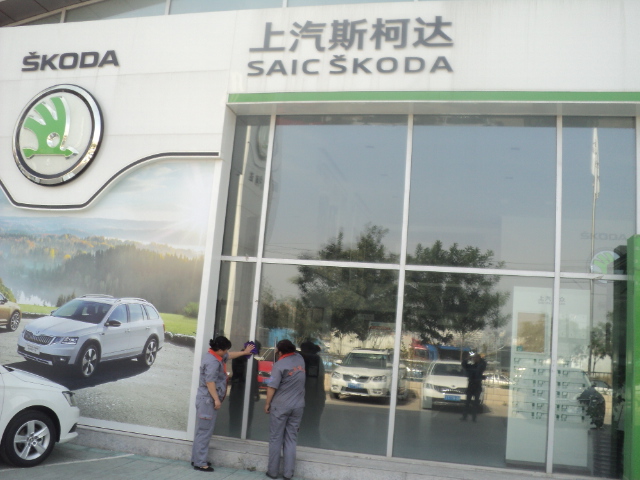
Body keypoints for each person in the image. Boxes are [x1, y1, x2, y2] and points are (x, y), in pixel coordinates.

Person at [191, 336, 254, 472]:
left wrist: (244, 352)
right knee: (204, 432)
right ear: (219, 349)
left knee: (202, 431)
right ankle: (200, 463)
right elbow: (210, 382)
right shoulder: (213, 362)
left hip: (206, 399)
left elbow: (229, 355)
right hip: (208, 400)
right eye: (225, 350)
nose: (226, 352)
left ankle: (197, 459)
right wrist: (216, 399)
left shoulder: (216, 356)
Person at [265, 339, 306, 480]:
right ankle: (288, 474)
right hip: (298, 406)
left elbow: (272, 386)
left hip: (280, 406)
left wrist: (267, 404)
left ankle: (273, 472)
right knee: (291, 439)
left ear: (280, 351)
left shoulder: (279, 365)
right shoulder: (300, 359)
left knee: (276, 438)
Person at [298, 340, 325, 447]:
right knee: (308, 424)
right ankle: (308, 444)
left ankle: (311, 445)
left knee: (309, 424)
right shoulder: (312, 359)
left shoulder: (314, 360)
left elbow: (318, 381)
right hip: (310, 399)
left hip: (312, 399)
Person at [461, 352, 486, 422]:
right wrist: (467, 359)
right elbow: (464, 365)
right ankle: (464, 416)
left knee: (475, 403)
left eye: (476, 358)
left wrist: (480, 359)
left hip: (477, 386)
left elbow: (483, 365)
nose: (474, 359)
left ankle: (474, 417)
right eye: (474, 358)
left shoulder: (481, 365)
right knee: (467, 402)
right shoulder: (471, 366)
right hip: (471, 385)